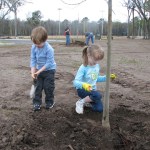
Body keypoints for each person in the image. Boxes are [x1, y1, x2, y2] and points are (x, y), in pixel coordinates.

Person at [73, 44, 116, 114]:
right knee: (98, 95)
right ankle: (80, 102)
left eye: (98, 60)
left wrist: (107, 77)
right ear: (88, 55)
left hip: (92, 91)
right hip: (82, 90)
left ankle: (86, 101)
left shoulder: (96, 66)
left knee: (99, 109)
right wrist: (84, 85)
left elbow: (96, 78)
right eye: (95, 60)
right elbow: (75, 82)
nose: (96, 62)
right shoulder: (83, 67)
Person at [30, 26, 56, 111]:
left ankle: (49, 101)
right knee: (38, 87)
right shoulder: (34, 47)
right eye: (35, 43)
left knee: (48, 87)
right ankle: (37, 102)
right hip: (38, 70)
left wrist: (39, 71)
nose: (37, 45)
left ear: (45, 39)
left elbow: (49, 63)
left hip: (49, 70)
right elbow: (33, 59)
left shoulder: (49, 49)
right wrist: (33, 71)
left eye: (39, 44)